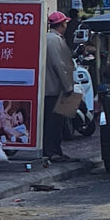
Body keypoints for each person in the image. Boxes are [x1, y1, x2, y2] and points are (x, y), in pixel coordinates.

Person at [43, 11, 76, 162]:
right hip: (54, 88)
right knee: (53, 122)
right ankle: (52, 151)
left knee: (54, 121)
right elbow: (60, 65)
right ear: (62, 24)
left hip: (51, 87)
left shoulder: (50, 38)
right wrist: (68, 87)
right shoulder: (54, 40)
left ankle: (54, 149)